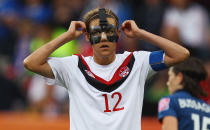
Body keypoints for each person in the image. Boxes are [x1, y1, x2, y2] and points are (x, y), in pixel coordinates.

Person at [24, 8, 189, 130]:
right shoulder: (73, 66)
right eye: (96, 32)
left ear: (118, 34)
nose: (103, 38)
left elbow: (181, 54)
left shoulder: (136, 62)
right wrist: (67, 36)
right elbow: (31, 63)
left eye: (109, 31)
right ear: (87, 36)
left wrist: (141, 33)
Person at [158, 57, 210, 130]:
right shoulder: (207, 108)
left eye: (170, 76)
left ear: (179, 77)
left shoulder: (169, 101)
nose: (168, 83)